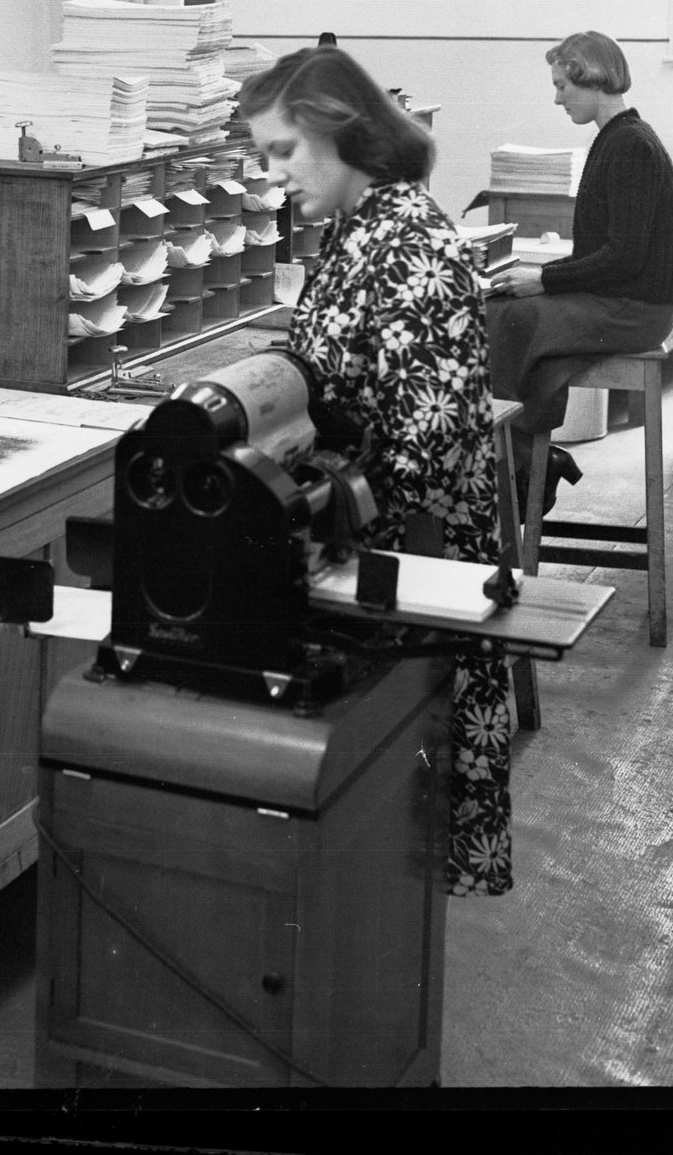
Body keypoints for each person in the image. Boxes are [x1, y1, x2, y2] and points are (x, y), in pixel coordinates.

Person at [239, 45, 513, 898]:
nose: (272, 175)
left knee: (394, 870)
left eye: (282, 151)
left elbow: (417, 461)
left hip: (408, 593)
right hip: (369, 567)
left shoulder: (408, 247)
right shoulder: (359, 231)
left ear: (341, 130)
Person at [483, 32, 673, 504]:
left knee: (514, 317)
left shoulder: (630, 146)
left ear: (592, 79)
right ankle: (525, 452)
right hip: (623, 297)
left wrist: (542, 279)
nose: (557, 99)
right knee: (502, 307)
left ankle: (517, 461)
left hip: (639, 310)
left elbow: (623, 257)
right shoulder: (613, 140)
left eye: (562, 87)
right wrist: (539, 279)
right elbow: (605, 254)